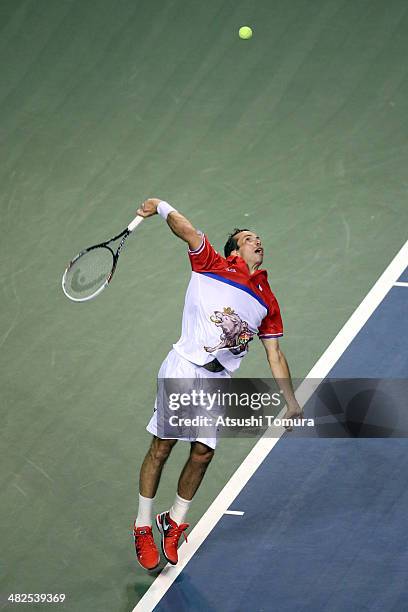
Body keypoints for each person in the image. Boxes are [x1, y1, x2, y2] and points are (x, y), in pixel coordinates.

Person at [132, 198, 302, 570]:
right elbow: (186, 229)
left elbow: (275, 354)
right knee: (163, 446)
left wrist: (291, 401)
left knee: (203, 453)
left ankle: (174, 521)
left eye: (259, 238)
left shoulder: (267, 299)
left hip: (217, 379)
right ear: (234, 249)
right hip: (184, 365)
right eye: (248, 237)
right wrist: (160, 206)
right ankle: (143, 525)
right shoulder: (211, 263)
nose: (257, 241)